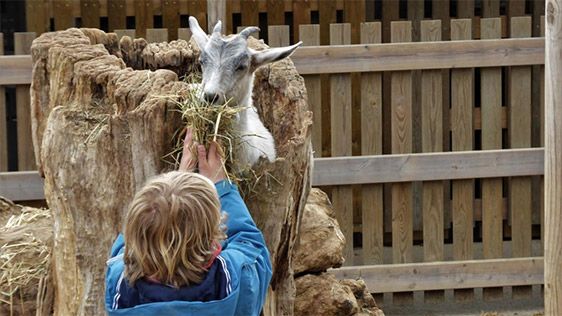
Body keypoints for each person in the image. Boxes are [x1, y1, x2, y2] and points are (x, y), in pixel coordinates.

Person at [105, 128, 272, 315]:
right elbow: (251, 246)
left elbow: (124, 250)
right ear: (213, 240)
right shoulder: (230, 278)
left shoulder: (120, 285)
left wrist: (175, 184)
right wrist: (221, 186)